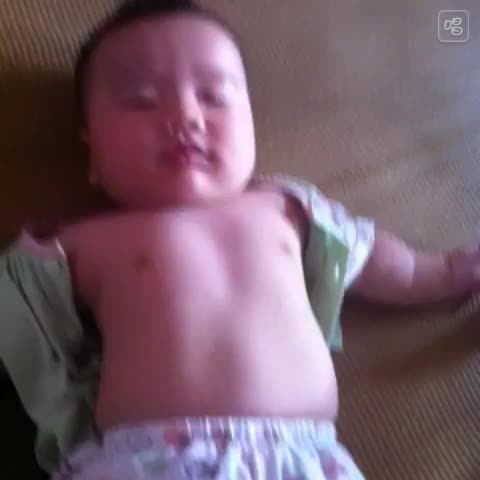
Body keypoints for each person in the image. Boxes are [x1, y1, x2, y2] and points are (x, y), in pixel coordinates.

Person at [5, 0, 480, 478]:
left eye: (214, 96)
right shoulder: (84, 243)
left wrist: (448, 272)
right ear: (91, 149)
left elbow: (369, 254)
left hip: (306, 457)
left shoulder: (287, 207)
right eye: (142, 101)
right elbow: (18, 313)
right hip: (148, 461)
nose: (186, 116)